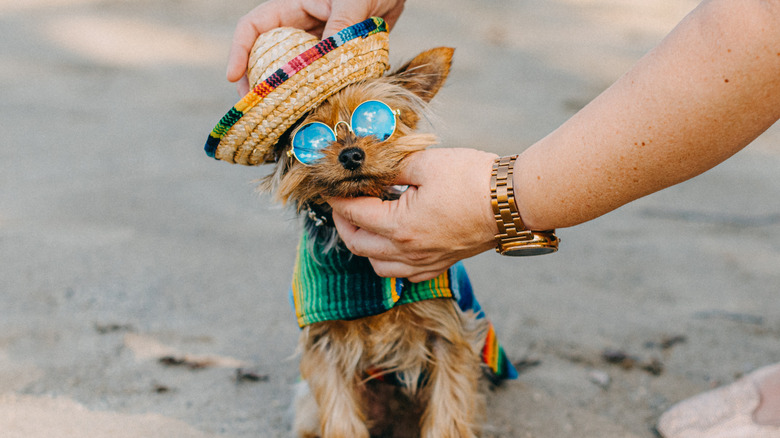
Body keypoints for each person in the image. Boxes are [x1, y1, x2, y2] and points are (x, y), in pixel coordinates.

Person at [226, 1, 780, 436]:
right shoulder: (316, 266)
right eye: (314, 138)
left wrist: (504, 199)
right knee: (321, 374)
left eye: (371, 123)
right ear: (283, 155)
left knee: (445, 339)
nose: (349, 151)